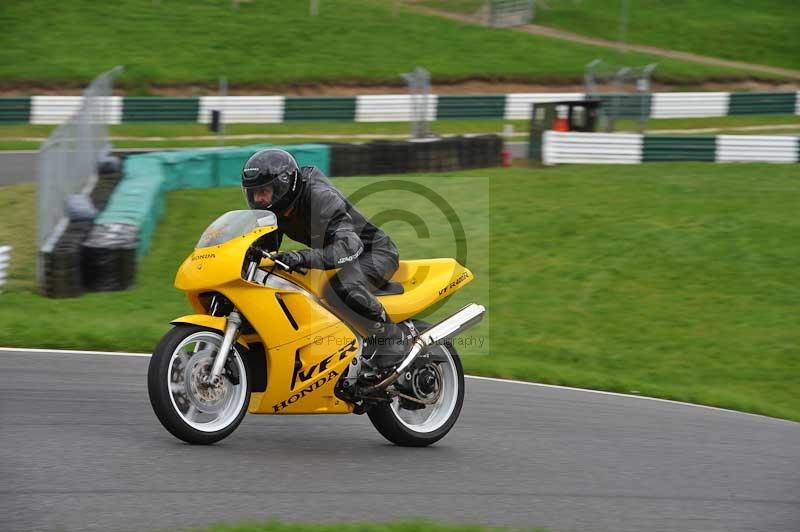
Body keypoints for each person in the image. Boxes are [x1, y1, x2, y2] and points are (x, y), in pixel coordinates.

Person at [241, 148, 409, 369]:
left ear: (283, 185)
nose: (258, 199)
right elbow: (264, 246)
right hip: (341, 254)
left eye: (264, 191)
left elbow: (349, 246)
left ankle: (393, 339)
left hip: (374, 251)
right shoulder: (278, 210)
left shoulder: (320, 197)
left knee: (340, 288)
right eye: (254, 193)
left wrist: (301, 257)